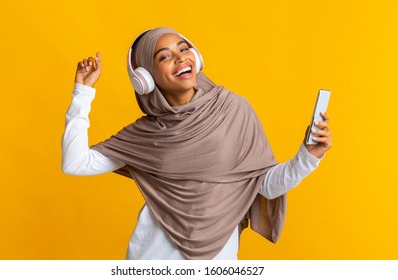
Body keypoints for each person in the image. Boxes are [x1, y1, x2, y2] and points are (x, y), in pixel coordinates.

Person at [61, 27, 332, 260]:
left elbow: (266, 186)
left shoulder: (234, 109)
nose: (180, 58)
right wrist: (82, 92)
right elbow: (75, 163)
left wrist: (308, 156)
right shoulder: (145, 134)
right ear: (145, 79)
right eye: (165, 56)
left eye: (184, 48)